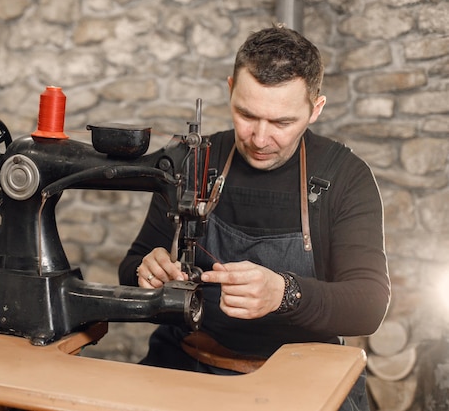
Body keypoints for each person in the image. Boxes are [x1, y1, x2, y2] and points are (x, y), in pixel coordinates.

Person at [118, 25, 390, 411]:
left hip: (303, 380)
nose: (260, 139)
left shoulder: (346, 177)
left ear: (316, 109)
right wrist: (146, 273)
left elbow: (369, 305)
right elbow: (131, 265)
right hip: (189, 365)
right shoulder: (195, 161)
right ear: (230, 88)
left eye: (282, 123)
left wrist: (286, 293)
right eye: (246, 115)